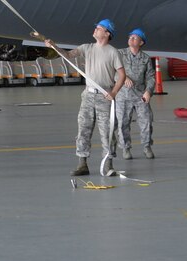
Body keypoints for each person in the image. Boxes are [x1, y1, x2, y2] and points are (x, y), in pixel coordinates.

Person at [61, 19, 125, 177]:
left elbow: (122, 75)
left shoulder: (113, 52)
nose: (95, 30)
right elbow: (68, 55)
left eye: (99, 28)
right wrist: (54, 47)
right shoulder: (87, 48)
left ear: (107, 33)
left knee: (107, 132)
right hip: (88, 96)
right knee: (83, 129)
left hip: (105, 97)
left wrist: (114, 92)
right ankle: (82, 164)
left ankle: (108, 165)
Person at [113, 28, 157, 159]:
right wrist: (123, 78)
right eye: (130, 37)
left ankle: (146, 146)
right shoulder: (119, 54)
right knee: (122, 123)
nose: (130, 39)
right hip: (123, 95)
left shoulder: (146, 59)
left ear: (141, 42)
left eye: (134, 37)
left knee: (146, 121)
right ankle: (126, 148)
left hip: (140, 95)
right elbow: (112, 69)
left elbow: (151, 77)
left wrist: (148, 91)